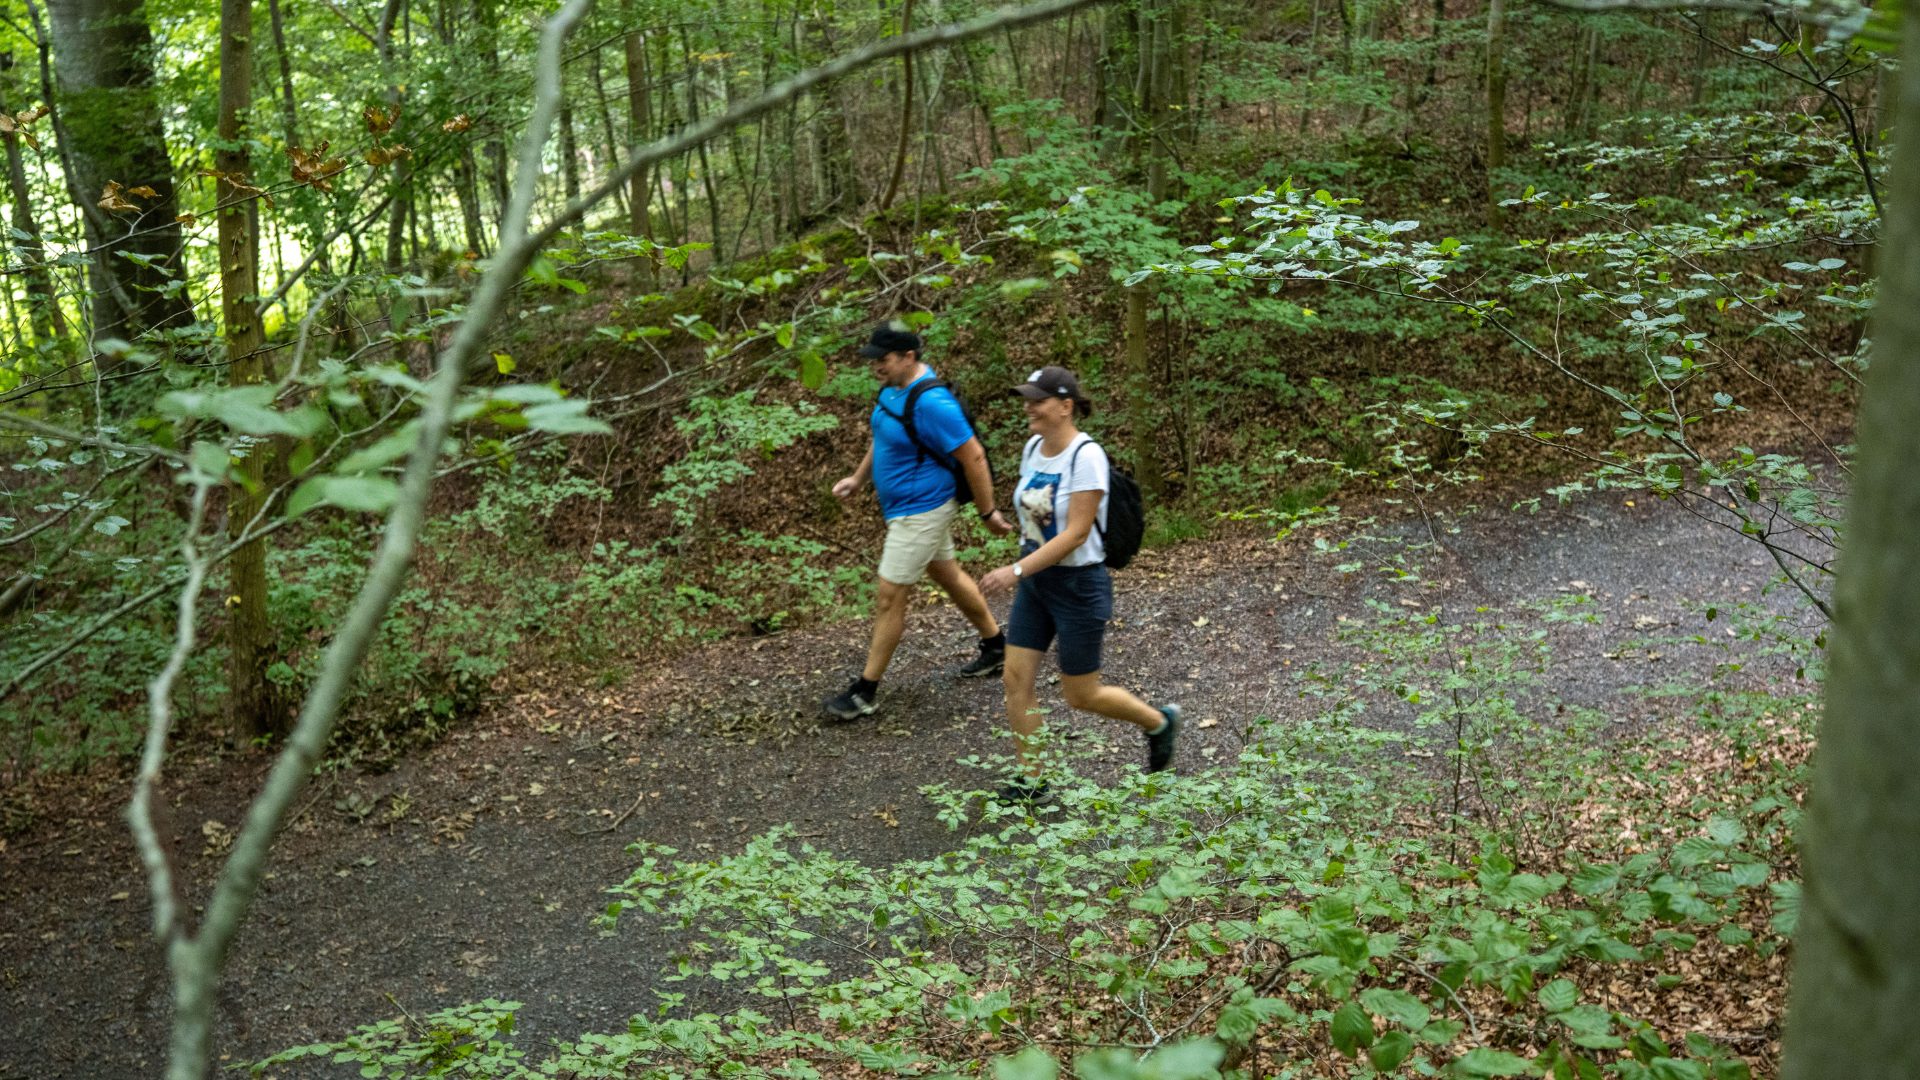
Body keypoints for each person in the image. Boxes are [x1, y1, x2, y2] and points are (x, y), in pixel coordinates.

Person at [979, 366, 1180, 799]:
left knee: (1081, 694)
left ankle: (1159, 723)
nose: (1029, 407)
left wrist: (1013, 571)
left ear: (1066, 406)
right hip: (1036, 583)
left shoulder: (1086, 456)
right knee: (1016, 680)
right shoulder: (1033, 447)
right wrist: (1020, 557)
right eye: (1027, 399)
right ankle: (1034, 782)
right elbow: (1032, 514)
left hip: (1078, 587)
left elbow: (1076, 533)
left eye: (1038, 400)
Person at [824, 322, 1016, 720]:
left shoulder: (933, 403)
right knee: (947, 573)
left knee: (889, 596)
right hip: (906, 509)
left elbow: (974, 456)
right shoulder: (894, 391)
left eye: (883, 358)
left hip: (922, 510)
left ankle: (865, 691)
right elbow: (883, 433)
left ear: (909, 357)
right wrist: (858, 478)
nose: (875, 365)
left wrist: (988, 512)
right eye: (873, 359)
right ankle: (997, 646)